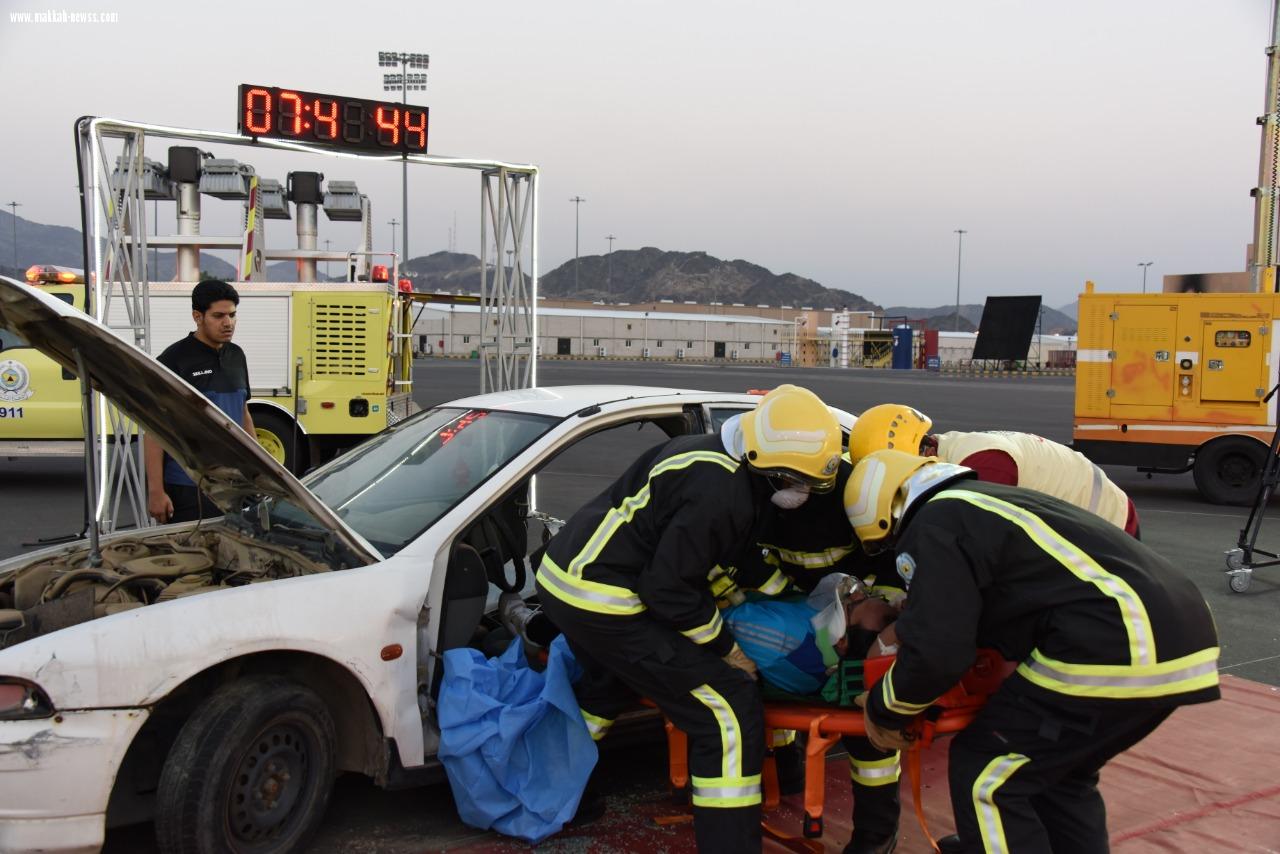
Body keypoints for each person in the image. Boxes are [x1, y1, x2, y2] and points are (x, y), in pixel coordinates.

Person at [844, 449, 1220, 853]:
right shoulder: (985, 503)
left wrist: (886, 707)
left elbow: (939, 650)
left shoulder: (934, 522)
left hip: (1118, 638)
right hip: (1180, 635)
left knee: (985, 772)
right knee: (1060, 779)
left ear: (885, 515)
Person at [534, 384, 842, 852]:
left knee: (612, 684)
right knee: (727, 707)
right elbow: (669, 591)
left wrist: (795, 600)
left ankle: (556, 793)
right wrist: (727, 649)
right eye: (792, 481)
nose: (799, 493)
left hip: (567, 579)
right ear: (765, 464)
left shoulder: (720, 460)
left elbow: (727, 553)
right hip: (603, 598)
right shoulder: (721, 492)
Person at [712, 446, 905, 854]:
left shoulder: (858, 499)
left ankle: (876, 836)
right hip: (817, 616)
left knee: (869, 739)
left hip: (848, 628)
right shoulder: (748, 495)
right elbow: (736, 558)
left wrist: (875, 626)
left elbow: (889, 569)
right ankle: (789, 772)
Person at [847, 403, 1140, 536]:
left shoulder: (983, 467)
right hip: (1085, 521)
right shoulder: (959, 454)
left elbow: (991, 549)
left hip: (1109, 524)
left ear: (921, 454)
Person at [145, 280, 255, 524]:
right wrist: (156, 491)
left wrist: (260, 471)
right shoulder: (174, 360)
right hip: (188, 487)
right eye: (218, 316)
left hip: (234, 484)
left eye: (232, 315)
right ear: (198, 316)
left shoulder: (236, 355)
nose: (228, 323)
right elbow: (154, 429)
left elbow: (243, 412)